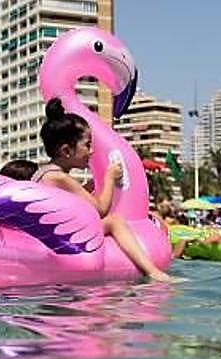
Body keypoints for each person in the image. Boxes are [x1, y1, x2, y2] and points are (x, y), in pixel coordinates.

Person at [33, 98, 170, 281]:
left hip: (49, 235)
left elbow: (68, 203)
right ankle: (153, 272)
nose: (91, 151)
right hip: (60, 240)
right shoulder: (60, 178)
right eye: (87, 145)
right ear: (66, 151)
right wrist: (110, 178)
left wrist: (88, 187)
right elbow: (100, 210)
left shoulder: (46, 174)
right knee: (114, 221)